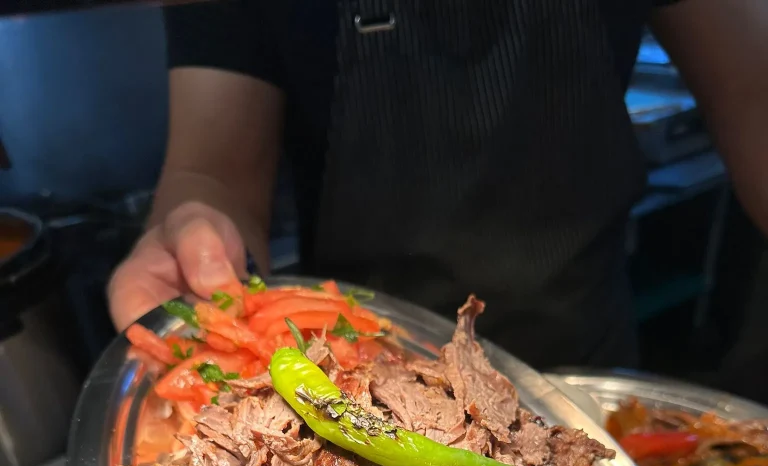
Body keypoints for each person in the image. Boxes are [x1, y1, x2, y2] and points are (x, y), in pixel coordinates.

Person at [108, 0, 768, 369]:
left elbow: (753, 91)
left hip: (581, 360)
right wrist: (194, 242)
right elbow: (212, 171)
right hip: (361, 368)